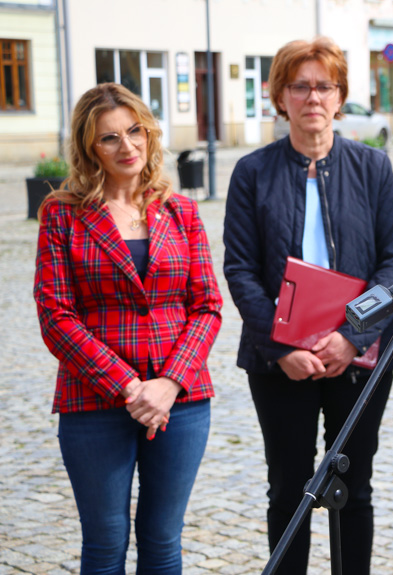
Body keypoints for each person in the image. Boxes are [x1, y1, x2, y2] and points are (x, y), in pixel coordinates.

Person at [223, 37, 393, 575]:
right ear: (281, 97)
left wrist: (354, 335)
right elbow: (240, 269)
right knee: (287, 487)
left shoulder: (372, 168)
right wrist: (281, 346)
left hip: (359, 353)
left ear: (340, 96)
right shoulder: (252, 173)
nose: (312, 97)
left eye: (323, 86)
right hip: (279, 359)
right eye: (299, 86)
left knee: (354, 484)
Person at [33, 83, 223, 574]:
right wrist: (128, 386)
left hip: (179, 402)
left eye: (135, 131)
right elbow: (56, 316)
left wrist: (167, 383)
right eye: (110, 138)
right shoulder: (63, 214)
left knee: (162, 541)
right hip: (93, 402)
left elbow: (206, 306)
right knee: (104, 541)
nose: (128, 146)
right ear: (88, 147)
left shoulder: (181, 212)